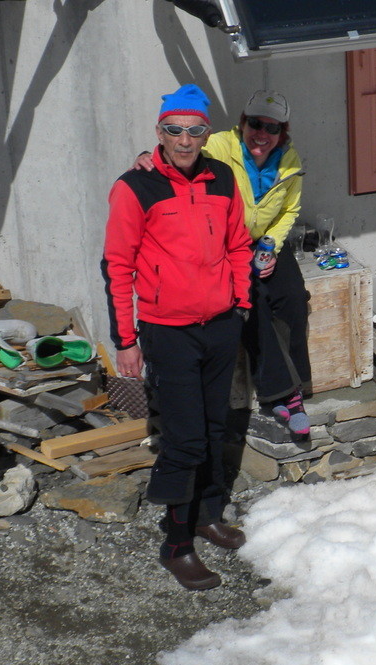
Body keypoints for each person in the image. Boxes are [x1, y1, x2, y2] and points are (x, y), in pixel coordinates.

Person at [103, 84, 254, 591]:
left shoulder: (224, 178)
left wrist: (242, 303)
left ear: (207, 134)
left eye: (194, 131)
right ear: (159, 132)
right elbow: (117, 264)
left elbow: (238, 245)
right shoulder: (135, 187)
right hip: (168, 332)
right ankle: (176, 542)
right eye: (174, 130)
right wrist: (126, 339)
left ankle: (208, 514)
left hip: (219, 324)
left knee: (215, 427)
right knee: (185, 437)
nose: (184, 140)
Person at [135, 89, 312, 439]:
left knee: (293, 296)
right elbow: (180, 151)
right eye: (256, 124)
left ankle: (300, 381)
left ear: (283, 132)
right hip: (225, 241)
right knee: (252, 300)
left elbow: (290, 209)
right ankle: (282, 395)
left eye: (272, 128)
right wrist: (147, 157)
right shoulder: (218, 145)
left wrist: (270, 246)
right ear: (243, 123)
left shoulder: (289, 160)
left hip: (263, 242)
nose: (262, 133)